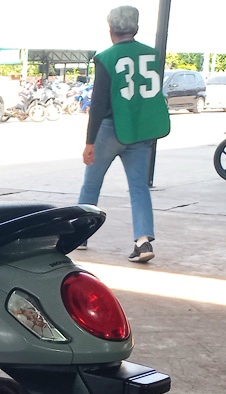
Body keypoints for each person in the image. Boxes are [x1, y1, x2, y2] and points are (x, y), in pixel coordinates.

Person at [78, 5, 171, 263]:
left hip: (110, 129)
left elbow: (98, 103)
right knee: (139, 187)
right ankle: (143, 241)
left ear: (111, 29)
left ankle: (79, 235)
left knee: (92, 184)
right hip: (139, 131)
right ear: (136, 28)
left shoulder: (106, 58)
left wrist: (89, 142)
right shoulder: (152, 55)